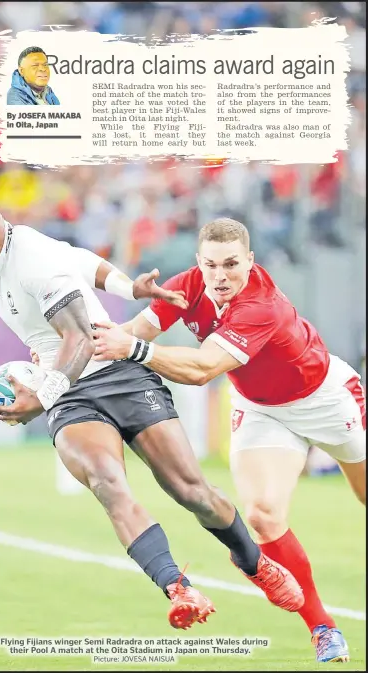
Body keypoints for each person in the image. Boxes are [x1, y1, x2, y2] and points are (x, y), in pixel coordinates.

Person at [0, 186, 304, 632]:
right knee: (107, 482)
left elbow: (79, 338)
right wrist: (127, 286)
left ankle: (253, 562)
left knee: (191, 491)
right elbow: (78, 260)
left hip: (114, 370)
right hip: (71, 395)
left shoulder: (28, 256)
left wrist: (42, 397)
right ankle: (177, 587)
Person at [92, 217, 366, 663]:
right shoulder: (189, 285)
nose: (221, 277)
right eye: (211, 265)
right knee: (262, 515)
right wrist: (66, 353)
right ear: (199, 262)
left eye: (232, 265)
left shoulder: (262, 304)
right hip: (262, 410)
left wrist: (134, 352)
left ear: (250, 261)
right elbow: (130, 334)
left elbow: (202, 369)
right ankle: (323, 627)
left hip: (326, 400)